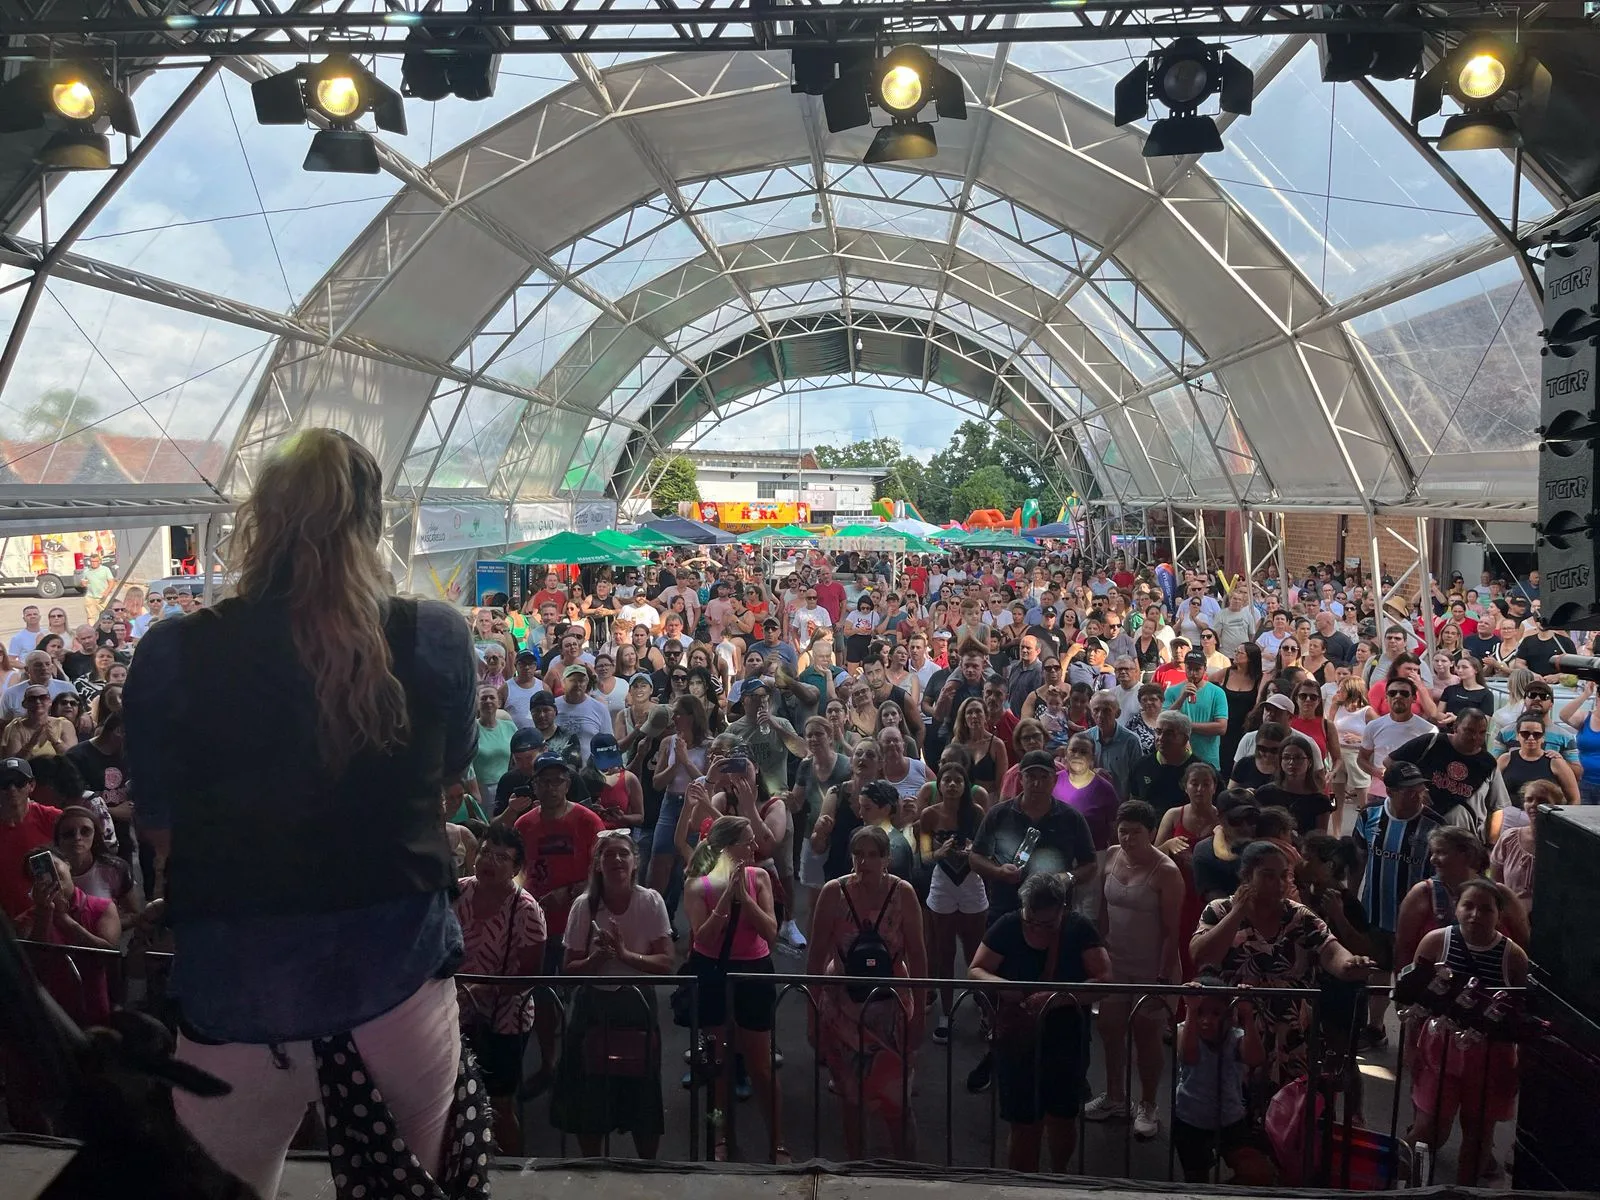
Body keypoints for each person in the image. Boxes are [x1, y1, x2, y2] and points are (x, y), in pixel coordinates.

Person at [123, 429, 482, 1200]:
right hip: (399, 978)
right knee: (412, 1186)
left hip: (236, 991)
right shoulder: (435, 636)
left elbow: (162, 830)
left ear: (258, 519)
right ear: (373, 523)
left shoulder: (173, 655)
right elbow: (448, 784)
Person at [1191, 841, 1377, 1086]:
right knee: (1230, 1103)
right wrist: (1237, 913)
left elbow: (1331, 951)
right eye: (1268, 876)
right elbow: (1201, 955)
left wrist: (1351, 964)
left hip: (1291, 1035)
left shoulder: (1300, 917)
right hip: (1234, 1029)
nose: (1278, 884)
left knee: (1286, 1110)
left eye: (1284, 876)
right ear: (1247, 876)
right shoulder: (1218, 910)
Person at [967, 872, 1111, 1173]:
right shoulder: (1007, 926)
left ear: (1062, 909)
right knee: (1023, 1123)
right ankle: (1023, 1184)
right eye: (1031, 921)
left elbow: (1104, 981)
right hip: (1018, 1042)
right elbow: (976, 969)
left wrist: (1055, 997)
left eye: (1047, 924)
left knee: (1062, 1117)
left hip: (1066, 1038)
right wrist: (1005, 985)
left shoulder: (1080, 929)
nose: (1038, 929)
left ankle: (1059, 1177)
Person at [807, 824, 926, 1160]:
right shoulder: (834, 892)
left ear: (887, 858)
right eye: (859, 854)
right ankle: (855, 1168)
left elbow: (918, 956)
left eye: (873, 854)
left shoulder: (903, 894)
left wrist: (918, 1019)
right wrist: (811, 1014)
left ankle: (905, 1170)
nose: (865, 861)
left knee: (895, 1100)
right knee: (850, 1096)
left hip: (891, 1010)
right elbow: (815, 955)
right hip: (842, 1010)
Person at [554, 830, 673, 1158]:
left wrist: (624, 956)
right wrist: (596, 960)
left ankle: (647, 1173)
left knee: (643, 1095)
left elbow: (666, 962)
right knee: (588, 1098)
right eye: (609, 855)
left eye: (623, 853)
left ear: (635, 862)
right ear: (598, 864)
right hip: (593, 1007)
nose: (617, 860)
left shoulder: (650, 901)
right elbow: (568, 968)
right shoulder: (584, 906)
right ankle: (593, 1174)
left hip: (636, 1005)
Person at [1407, 880, 1529, 1186]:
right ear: (1456, 908)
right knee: (1429, 1127)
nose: (1475, 915)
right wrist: (1411, 1049)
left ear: (1499, 915)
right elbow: (1414, 998)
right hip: (1440, 1048)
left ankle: (1465, 1191)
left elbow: (1520, 1013)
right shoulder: (1436, 942)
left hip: (1491, 1056)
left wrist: (1519, 1067)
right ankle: (1407, 1185)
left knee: (1478, 1132)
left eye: (1485, 909)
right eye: (1468, 906)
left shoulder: (1512, 957)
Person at [498, 750, 606, 1094]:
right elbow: (516, 871)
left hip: (580, 922)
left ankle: (587, 1067)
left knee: (587, 997)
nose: (551, 787)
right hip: (538, 925)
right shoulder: (524, 825)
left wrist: (569, 892)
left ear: (568, 783)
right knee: (543, 997)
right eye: (544, 781)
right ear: (535, 784)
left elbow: (602, 871)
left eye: (558, 780)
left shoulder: (589, 822)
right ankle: (549, 1064)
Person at [682, 815, 785, 1162]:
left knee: (761, 1066)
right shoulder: (697, 885)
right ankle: (719, 1135)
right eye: (747, 842)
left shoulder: (760, 877)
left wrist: (747, 899)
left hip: (754, 973)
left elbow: (770, 931)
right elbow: (702, 937)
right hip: (712, 973)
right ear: (726, 848)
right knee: (717, 1066)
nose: (755, 847)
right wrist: (726, 900)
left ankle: (778, 1140)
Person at [1086, 800, 1184, 1139]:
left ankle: (1148, 1104)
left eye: (1136, 833)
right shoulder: (1112, 856)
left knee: (1147, 1037)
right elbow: (1102, 908)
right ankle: (1115, 1097)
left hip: (1151, 965)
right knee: (1110, 1029)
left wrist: (1161, 978)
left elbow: (1173, 931)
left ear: (1152, 833)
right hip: (1116, 961)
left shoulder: (1167, 872)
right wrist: (1097, 952)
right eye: (1123, 831)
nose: (1128, 839)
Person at [453, 824, 546, 1155]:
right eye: (484, 852)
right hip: (453, 1014)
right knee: (453, 1099)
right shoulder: (457, 892)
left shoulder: (526, 910)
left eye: (501, 857)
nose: (488, 861)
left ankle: (513, 1174)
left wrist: (480, 991)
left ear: (516, 867)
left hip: (505, 1019)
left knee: (499, 1104)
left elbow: (529, 975)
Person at [1172, 974, 1274, 1185]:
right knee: (1195, 1180)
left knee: (1258, 1174)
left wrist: (1247, 1016)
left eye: (1216, 1013)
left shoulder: (1235, 1037)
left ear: (1229, 1016)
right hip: (1191, 1120)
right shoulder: (1184, 1030)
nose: (1207, 1020)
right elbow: (1189, 1056)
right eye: (1201, 1013)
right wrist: (1190, 1009)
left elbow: (1255, 1058)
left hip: (1230, 1119)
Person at [1490, 777, 1565, 913]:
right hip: (1511, 919)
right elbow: (1496, 885)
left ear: (1557, 805)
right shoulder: (1509, 839)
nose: (1533, 805)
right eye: (1529, 800)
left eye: (1542, 801)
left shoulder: (1565, 845)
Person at [52, 804, 137, 916]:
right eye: (69, 833)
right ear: (58, 839)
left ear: (95, 834)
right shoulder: (51, 871)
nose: (78, 837)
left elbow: (134, 914)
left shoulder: (115, 868)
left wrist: (107, 924)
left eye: (85, 831)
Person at [1497, 711, 1580, 807]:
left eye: (1536, 734)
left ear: (1543, 737)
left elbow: (1575, 798)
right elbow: (1492, 790)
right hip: (1508, 817)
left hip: (1544, 817)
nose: (1531, 738)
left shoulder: (1556, 762)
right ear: (1517, 735)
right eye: (1525, 733)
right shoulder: (1505, 759)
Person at [1129, 710, 1199, 816]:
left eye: (1169, 734)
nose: (1161, 738)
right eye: (1158, 732)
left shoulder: (1200, 771)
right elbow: (1134, 804)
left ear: (1184, 739)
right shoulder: (1141, 766)